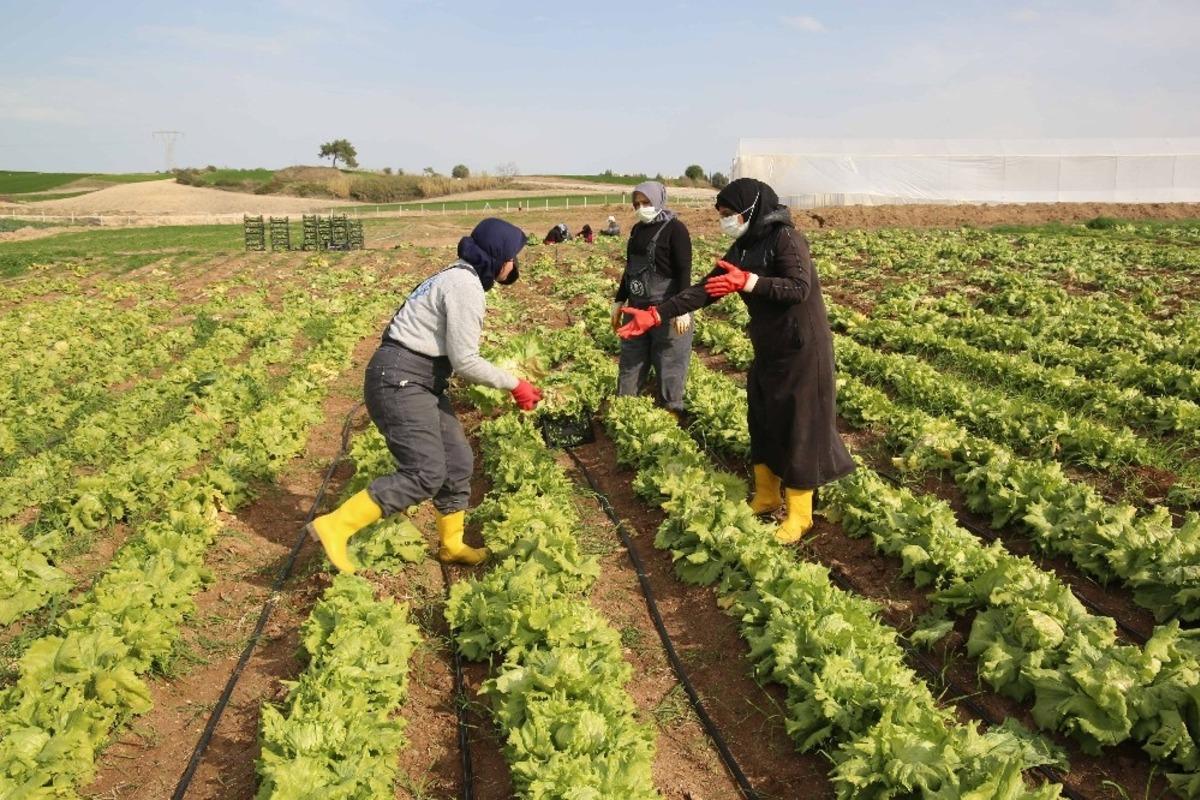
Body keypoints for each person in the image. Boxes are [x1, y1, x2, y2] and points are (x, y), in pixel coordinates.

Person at [617, 178, 854, 543]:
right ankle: (766, 495)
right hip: (769, 346)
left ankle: (800, 513)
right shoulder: (742, 247)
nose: (726, 220)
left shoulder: (785, 239)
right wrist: (655, 315)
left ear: (752, 209)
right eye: (722, 215)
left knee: (798, 423)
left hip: (801, 347)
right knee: (761, 415)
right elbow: (702, 290)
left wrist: (750, 283)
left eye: (730, 214)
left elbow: (799, 287)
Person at [308, 218, 543, 573]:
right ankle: (336, 526)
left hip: (418, 377)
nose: (514, 265)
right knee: (425, 473)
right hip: (401, 379)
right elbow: (465, 361)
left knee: (458, 461)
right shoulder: (465, 286)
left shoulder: (456, 275)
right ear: (498, 256)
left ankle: (451, 545)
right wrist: (515, 384)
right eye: (512, 256)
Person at [611, 181, 693, 414]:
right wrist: (619, 300)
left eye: (646, 202)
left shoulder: (676, 229)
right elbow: (630, 269)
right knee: (631, 358)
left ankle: (672, 409)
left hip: (667, 309)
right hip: (636, 308)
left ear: (658, 200)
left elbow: (684, 270)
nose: (641, 207)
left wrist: (682, 308)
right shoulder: (637, 230)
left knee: (670, 361)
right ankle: (626, 409)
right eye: (636, 204)